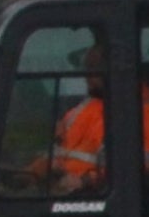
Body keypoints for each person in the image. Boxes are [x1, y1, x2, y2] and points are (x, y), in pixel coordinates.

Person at [37, 44, 149, 195]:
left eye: (93, 69)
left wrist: (86, 181)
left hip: (104, 202)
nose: (87, 76)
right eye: (87, 68)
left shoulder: (141, 113)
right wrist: (27, 175)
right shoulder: (81, 110)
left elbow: (134, 171)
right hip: (63, 194)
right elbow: (56, 154)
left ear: (114, 70)